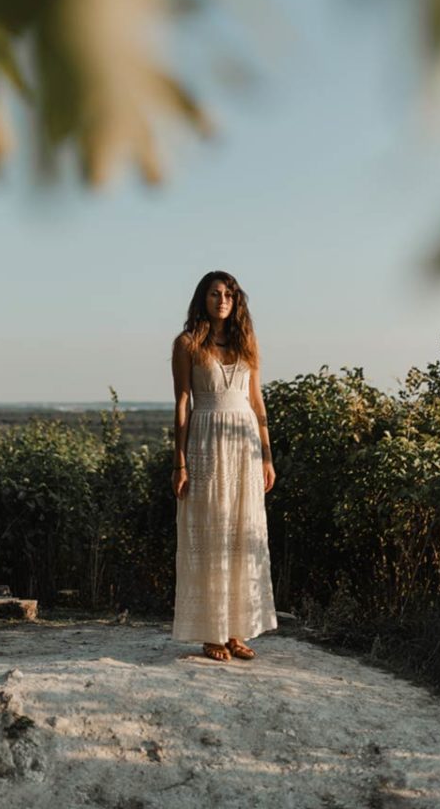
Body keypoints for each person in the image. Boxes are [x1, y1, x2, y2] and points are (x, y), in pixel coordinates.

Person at [170, 270, 277, 662]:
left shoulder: (247, 342)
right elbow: (183, 402)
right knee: (211, 533)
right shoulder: (187, 343)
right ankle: (211, 631)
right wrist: (179, 463)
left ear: (236, 301)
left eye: (229, 294)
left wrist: (267, 455)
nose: (223, 300)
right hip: (206, 441)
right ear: (203, 298)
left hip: (244, 444)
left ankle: (235, 630)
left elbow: (257, 401)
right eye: (215, 294)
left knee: (242, 534)